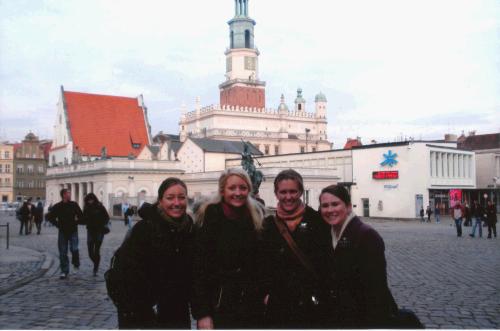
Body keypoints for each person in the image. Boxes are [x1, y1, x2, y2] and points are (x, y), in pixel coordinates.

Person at [113, 178, 194, 329]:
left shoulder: (190, 230)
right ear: (160, 201)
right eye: (170, 198)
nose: (176, 203)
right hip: (142, 314)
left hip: (177, 314)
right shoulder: (143, 230)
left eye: (181, 197)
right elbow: (124, 277)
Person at [317, 184, 400, 328]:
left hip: (361, 319)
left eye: (335, 204)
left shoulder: (366, 235)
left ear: (348, 207)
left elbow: (376, 290)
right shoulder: (328, 234)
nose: (330, 210)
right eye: (325, 206)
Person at [192, 168, 265, 329]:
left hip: (251, 305)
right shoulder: (210, 217)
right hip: (219, 303)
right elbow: (199, 270)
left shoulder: (256, 217)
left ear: (249, 190)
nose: (238, 192)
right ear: (222, 191)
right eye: (232, 188)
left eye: (243, 188)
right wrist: (203, 314)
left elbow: (262, 263)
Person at [260, 169, 327, 329]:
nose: (288, 197)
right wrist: (265, 294)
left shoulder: (317, 221)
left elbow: (326, 263)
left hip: (310, 306)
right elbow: (261, 264)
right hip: (278, 306)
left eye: (293, 191)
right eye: (283, 192)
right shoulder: (267, 225)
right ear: (276, 193)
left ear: (301, 192)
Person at [46, 188, 83, 279]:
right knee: (63, 252)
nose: (70, 195)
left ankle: (76, 264)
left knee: (74, 249)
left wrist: (76, 222)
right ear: (63, 195)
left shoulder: (74, 205)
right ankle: (64, 271)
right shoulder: (58, 206)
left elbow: (81, 215)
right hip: (62, 231)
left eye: (70, 193)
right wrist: (57, 224)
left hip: (73, 230)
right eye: (68, 193)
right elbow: (50, 216)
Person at [81, 193, 110, 276]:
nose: (90, 201)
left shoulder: (100, 206)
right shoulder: (86, 208)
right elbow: (84, 218)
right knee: (90, 252)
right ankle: (96, 263)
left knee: (96, 250)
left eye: (91, 200)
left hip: (99, 231)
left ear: (94, 199)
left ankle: (95, 268)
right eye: (88, 200)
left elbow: (107, 217)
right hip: (90, 231)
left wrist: (103, 224)